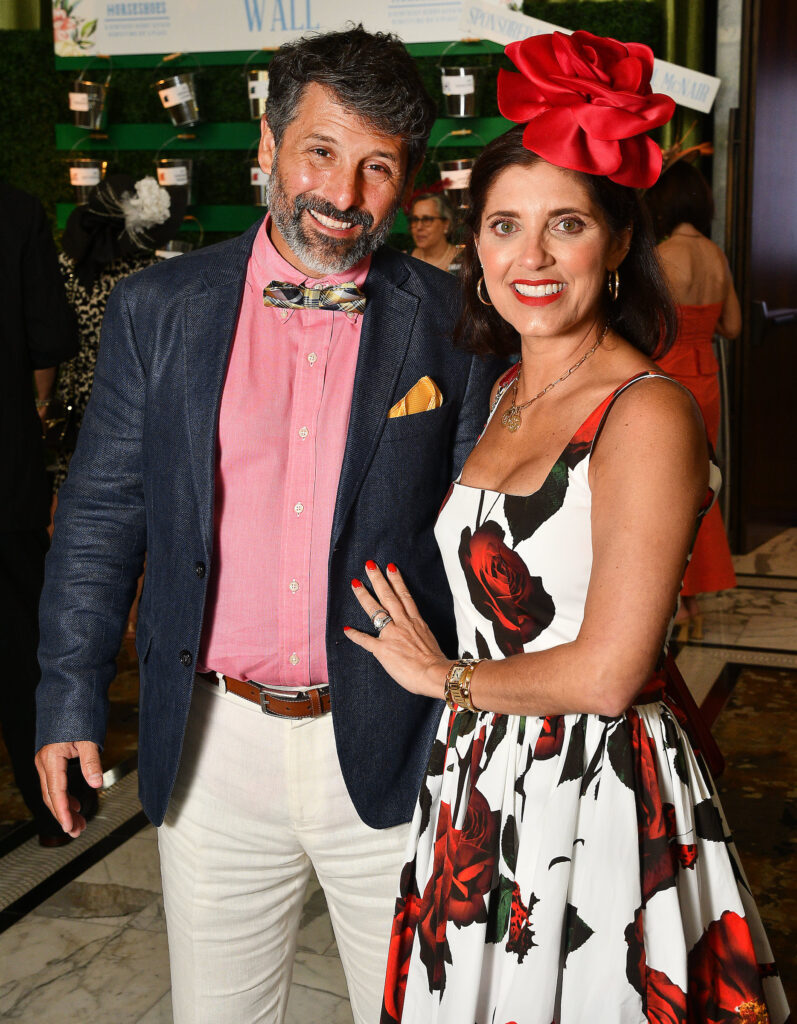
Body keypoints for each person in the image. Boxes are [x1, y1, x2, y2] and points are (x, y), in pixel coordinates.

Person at [34, 26, 502, 1024]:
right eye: (319, 151)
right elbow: (101, 515)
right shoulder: (157, 309)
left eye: (377, 166)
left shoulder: (456, 323)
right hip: (213, 745)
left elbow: (484, 537)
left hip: (395, 736)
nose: (342, 192)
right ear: (267, 143)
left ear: (408, 181)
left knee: (423, 1011)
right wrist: (69, 696)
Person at [342, 32, 790, 1024]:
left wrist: (440, 678)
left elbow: (607, 672)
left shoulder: (644, 411)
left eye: (566, 225)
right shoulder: (504, 391)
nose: (530, 257)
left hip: (591, 786)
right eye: (504, 225)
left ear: (618, 242)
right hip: (481, 777)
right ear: (476, 244)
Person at [0, 182, 83, 846]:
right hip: (5, 467)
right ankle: (58, 809)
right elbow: (49, 339)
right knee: (20, 642)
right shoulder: (16, 209)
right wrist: (31, 408)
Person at [644, 160, 742, 639]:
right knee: (701, 485)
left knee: (668, 488)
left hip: (670, 377)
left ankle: (679, 601)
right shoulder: (715, 255)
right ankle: (694, 598)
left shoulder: (664, 255)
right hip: (707, 379)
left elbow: (646, 327)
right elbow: (733, 326)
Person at [52, 173, 186, 491]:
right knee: (134, 489)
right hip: (137, 396)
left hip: (76, 395)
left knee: (74, 487)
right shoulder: (151, 275)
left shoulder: (68, 266)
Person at [407, 191, 459, 273]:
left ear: (446, 224)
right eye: (415, 219)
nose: (419, 227)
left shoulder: (463, 259)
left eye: (427, 219)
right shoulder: (405, 260)